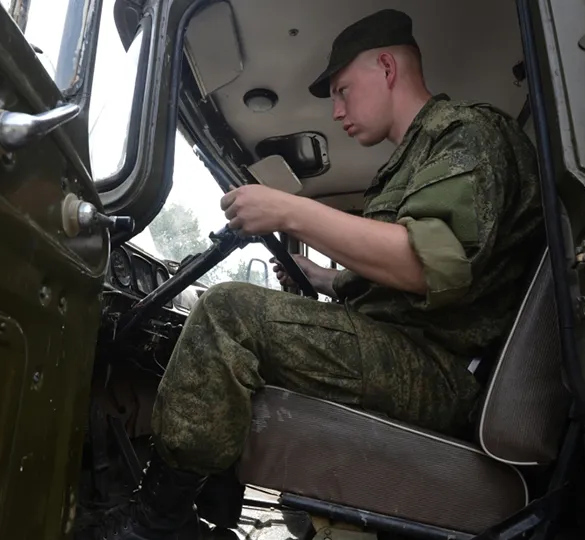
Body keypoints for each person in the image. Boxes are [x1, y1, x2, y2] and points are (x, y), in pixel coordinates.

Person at [81, 8, 544, 540]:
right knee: (245, 325)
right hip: (416, 350)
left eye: (344, 89)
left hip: (442, 370)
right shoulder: (415, 157)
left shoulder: (468, 131)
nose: (339, 109)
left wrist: (289, 211)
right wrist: (324, 280)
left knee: (228, 311)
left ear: (387, 68)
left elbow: (426, 263)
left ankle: (151, 526)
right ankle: (211, 504)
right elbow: (397, 274)